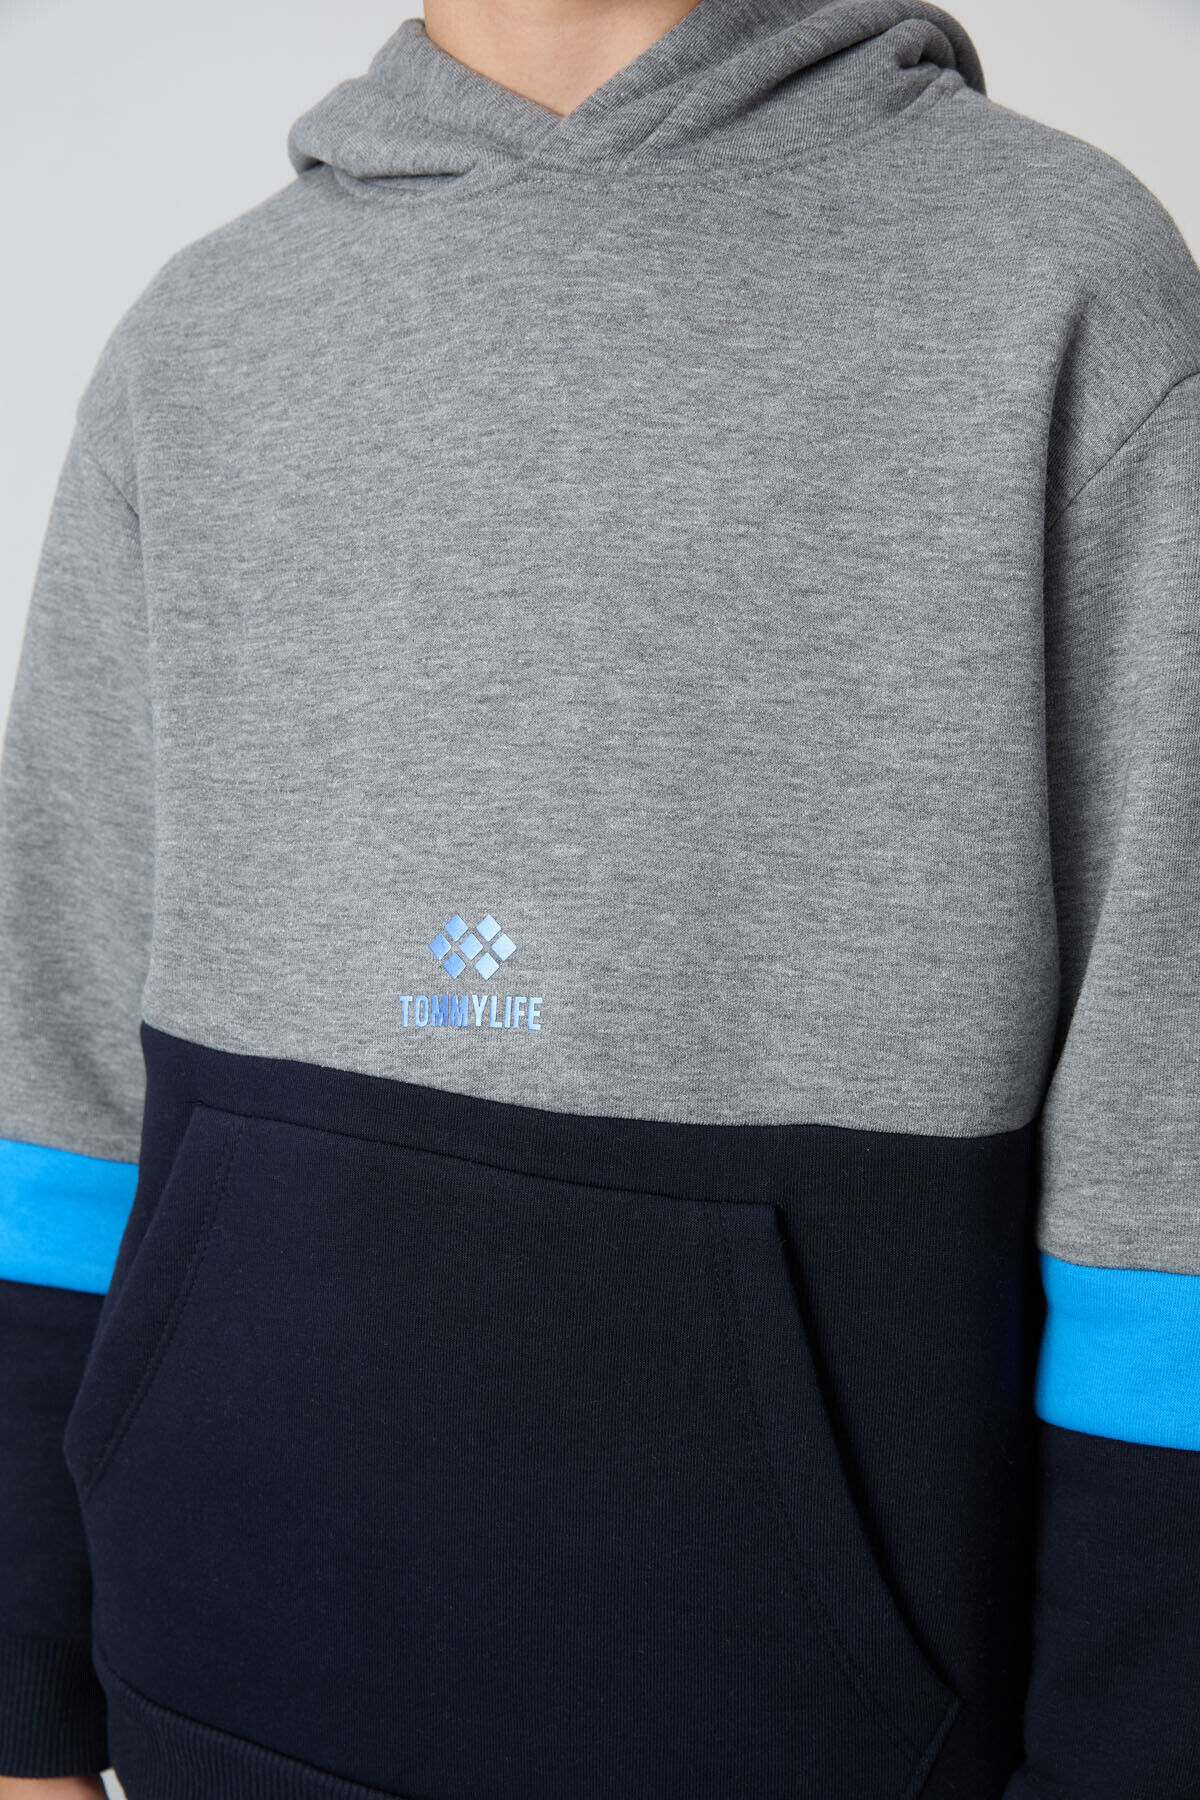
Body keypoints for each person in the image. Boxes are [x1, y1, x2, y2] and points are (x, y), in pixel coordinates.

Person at [2, 0, 1198, 1794]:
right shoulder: (205, 335)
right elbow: (59, 1059)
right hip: (209, 1692)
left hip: (820, 1737)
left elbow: (1171, 1126)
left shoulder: (1057, 282)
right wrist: (19, 1688)